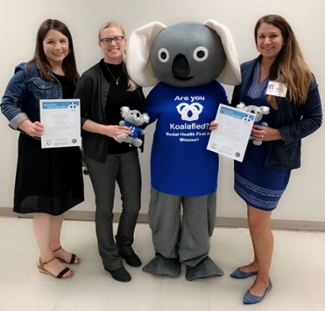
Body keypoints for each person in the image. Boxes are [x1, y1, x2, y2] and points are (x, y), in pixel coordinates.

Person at [215, 14, 322, 304]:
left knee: (258, 221)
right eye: (261, 36)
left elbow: (315, 119)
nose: (266, 41)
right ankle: (256, 263)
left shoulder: (300, 75)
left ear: (284, 38)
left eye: (272, 35)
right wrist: (223, 123)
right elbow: (237, 107)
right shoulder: (247, 69)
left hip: (274, 160)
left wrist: (279, 133)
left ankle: (264, 278)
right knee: (252, 217)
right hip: (246, 155)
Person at [1, 19, 84, 279]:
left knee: (59, 202)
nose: (57, 47)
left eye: (62, 41)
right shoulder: (27, 71)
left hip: (65, 150)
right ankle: (45, 259)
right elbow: (7, 103)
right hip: (39, 151)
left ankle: (55, 247)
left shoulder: (72, 74)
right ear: (41, 44)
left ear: (69, 46)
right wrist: (25, 124)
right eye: (50, 41)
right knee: (45, 206)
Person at [74, 21, 145, 282]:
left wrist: (140, 125)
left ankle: (124, 245)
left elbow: (142, 111)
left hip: (128, 152)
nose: (113, 44)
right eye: (107, 40)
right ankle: (110, 258)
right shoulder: (90, 77)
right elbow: (76, 117)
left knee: (134, 204)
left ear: (125, 41)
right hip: (100, 153)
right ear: (99, 44)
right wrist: (107, 130)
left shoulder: (135, 75)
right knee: (105, 208)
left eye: (118, 39)